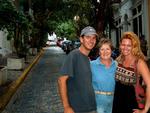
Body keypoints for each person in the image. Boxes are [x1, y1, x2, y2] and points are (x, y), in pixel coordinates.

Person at [58, 26, 98, 113]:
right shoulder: (74, 56)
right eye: (88, 37)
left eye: (93, 38)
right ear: (81, 39)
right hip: (77, 109)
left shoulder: (88, 59)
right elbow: (61, 80)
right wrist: (66, 107)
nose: (91, 40)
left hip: (90, 108)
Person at [112, 31, 150, 113]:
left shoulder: (139, 63)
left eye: (129, 45)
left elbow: (149, 85)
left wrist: (145, 109)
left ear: (134, 47)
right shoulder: (118, 60)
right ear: (120, 45)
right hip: (116, 105)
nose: (125, 48)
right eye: (123, 45)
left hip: (132, 106)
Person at [90, 38, 117, 113]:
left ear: (111, 51)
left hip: (113, 102)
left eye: (107, 49)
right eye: (102, 49)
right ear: (99, 52)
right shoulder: (91, 65)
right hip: (97, 103)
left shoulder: (117, 65)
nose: (105, 52)